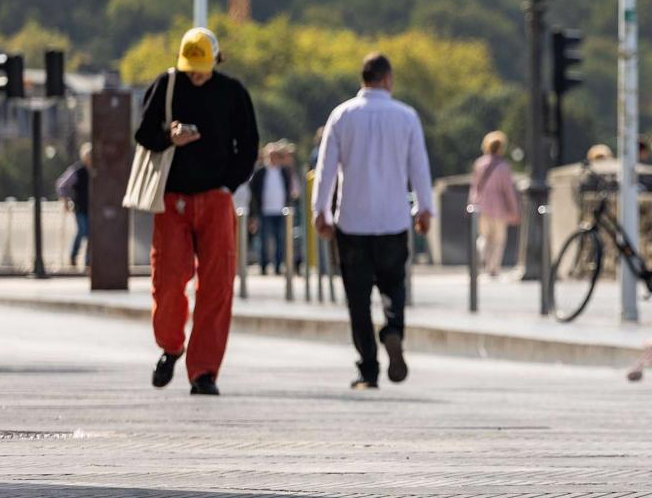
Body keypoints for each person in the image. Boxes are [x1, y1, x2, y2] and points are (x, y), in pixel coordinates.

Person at [134, 27, 261, 396]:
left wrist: (229, 185)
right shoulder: (167, 85)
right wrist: (168, 137)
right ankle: (171, 345)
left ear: (216, 61)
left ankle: (204, 371)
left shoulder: (233, 93)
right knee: (169, 281)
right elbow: (143, 134)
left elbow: (248, 144)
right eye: (191, 67)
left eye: (202, 68)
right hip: (173, 199)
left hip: (216, 198)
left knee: (217, 287)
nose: (196, 74)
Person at [313, 53, 435, 390]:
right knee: (394, 287)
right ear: (388, 78)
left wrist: (319, 210)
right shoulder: (406, 116)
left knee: (357, 298)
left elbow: (326, 169)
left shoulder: (342, 115)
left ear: (363, 78)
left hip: (352, 221)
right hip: (394, 219)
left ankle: (368, 368)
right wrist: (425, 209)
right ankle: (393, 331)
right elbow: (419, 168)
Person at [470, 131, 521, 276]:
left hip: (481, 206)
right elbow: (508, 191)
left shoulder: (479, 164)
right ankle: (493, 267)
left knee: (484, 237)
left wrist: (472, 204)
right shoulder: (504, 167)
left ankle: (482, 260)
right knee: (498, 239)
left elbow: (474, 187)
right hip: (499, 208)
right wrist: (514, 210)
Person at [246, 144, 300, 274]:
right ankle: (263, 266)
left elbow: (291, 190)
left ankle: (277, 266)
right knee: (264, 240)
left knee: (281, 240)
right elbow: (253, 192)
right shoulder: (260, 172)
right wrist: (254, 212)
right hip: (264, 211)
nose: (273, 159)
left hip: (281, 211)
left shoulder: (285, 172)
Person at [58, 143, 93, 268]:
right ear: (84, 157)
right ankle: (73, 256)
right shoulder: (77, 171)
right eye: (89, 155)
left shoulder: (97, 170)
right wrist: (65, 202)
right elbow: (62, 185)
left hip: (94, 209)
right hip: (80, 208)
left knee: (92, 234)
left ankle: (89, 260)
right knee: (84, 231)